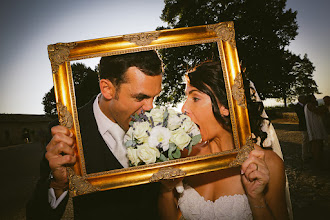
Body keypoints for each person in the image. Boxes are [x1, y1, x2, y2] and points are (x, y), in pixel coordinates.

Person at [26, 50, 164, 219]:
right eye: (140, 97)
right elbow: (36, 215)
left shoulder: (160, 128)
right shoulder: (65, 133)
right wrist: (58, 185)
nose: (150, 108)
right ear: (107, 89)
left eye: (154, 97)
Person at [158, 62, 289, 220]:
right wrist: (166, 190)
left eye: (195, 98)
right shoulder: (184, 156)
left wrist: (257, 200)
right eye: (187, 97)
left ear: (225, 106)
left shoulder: (268, 164)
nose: (184, 108)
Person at [304, 94, 328, 169]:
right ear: (310, 99)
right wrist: (326, 106)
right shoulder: (309, 105)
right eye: (314, 98)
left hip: (316, 129)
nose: (316, 99)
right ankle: (317, 163)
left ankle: (319, 161)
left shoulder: (309, 105)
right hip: (314, 129)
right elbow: (318, 111)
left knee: (319, 144)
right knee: (316, 145)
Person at [294, 95, 311, 161]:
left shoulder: (305, 105)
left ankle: (308, 153)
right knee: (305, 140)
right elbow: (301, 115)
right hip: (303, 125)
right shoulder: (297, 107)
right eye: (304, 98)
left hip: (307, 124)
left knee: (308, 140)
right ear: (300, 99)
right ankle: (304, 156)